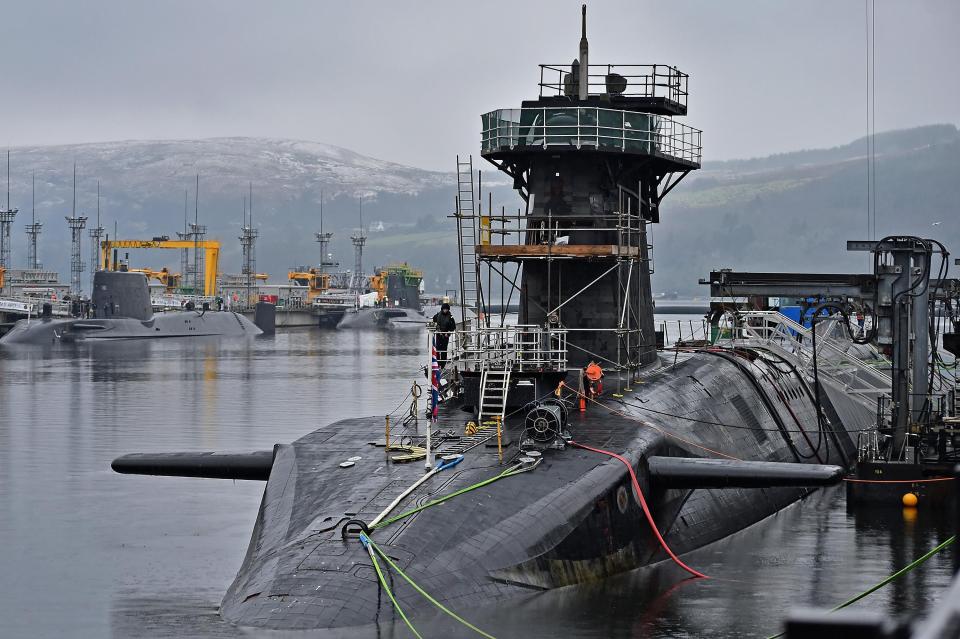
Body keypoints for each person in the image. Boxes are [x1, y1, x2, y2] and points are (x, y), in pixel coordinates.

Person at [431, 303, 457, 367]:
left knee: (444, 350)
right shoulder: (437, 315)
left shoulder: (450, 317)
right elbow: (434, 321)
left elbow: (453, 327)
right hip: (438, 334)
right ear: (442, 309)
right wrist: (436, 329)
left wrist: (448, 333)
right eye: (444, 309)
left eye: (446, 309)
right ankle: (437, 363)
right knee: (437, 349)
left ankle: (442, 365)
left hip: (445, 335)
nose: (445, 310)